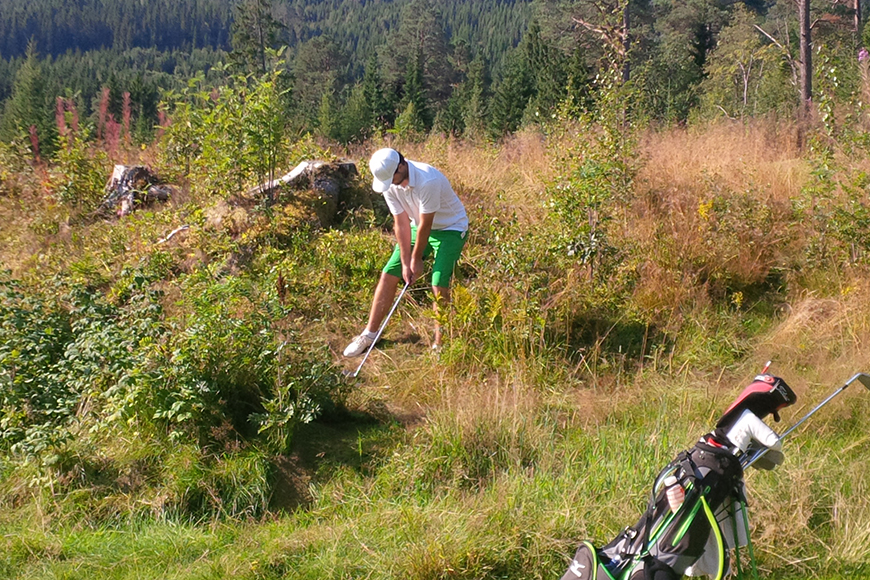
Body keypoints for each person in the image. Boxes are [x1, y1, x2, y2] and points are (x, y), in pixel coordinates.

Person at [560, 373, 797, 580]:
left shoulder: (725, 433)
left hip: (708, 471)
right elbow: (774, 444)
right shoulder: (742, 422)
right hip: (661, 557)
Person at [343, 148, 469, 357]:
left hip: (450, 228)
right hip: (417, 225)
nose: (390, 184)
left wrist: (416, 258)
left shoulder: (428, 180)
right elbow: (401, 223)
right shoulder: (388, 181)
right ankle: (369, 334)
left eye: (392, 178)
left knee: (438, 281)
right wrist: (404, 262)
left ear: (401, 165)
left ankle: (440, 345)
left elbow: (426, 226)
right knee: (388, 273)